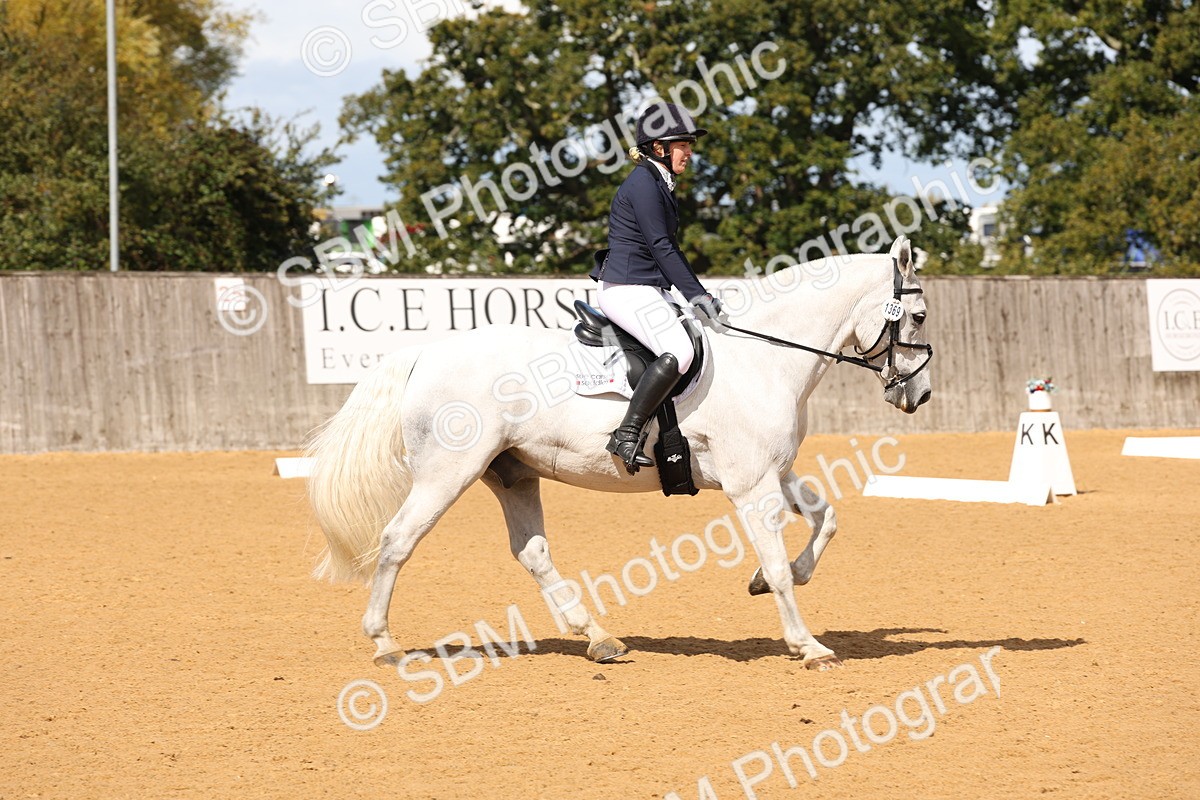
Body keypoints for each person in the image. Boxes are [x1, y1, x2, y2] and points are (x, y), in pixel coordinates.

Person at [589, 101, 724, 475]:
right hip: (625, 288)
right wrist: (698, 296)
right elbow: (661, 246)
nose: (690, 151)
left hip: (646, 286)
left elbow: (668, 248)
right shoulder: (644, 183)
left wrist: (696, 295)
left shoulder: (659, 181)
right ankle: (626, 434)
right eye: (684, 144)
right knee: (678, 351)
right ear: (659, 147)